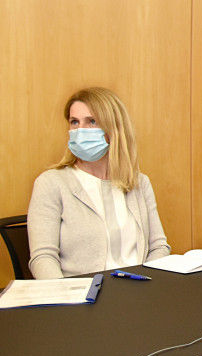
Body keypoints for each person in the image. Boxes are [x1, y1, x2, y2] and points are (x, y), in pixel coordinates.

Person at [27, 87, 171, 279]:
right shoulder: (52, 183)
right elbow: (43, 257)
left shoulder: (139, 183)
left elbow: (159, 246)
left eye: (92, 121)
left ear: (114, 128)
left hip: (137, 293)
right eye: (74, 122)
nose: (80, 130)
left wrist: (148, 283)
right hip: (82, 297)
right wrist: (67, 297)